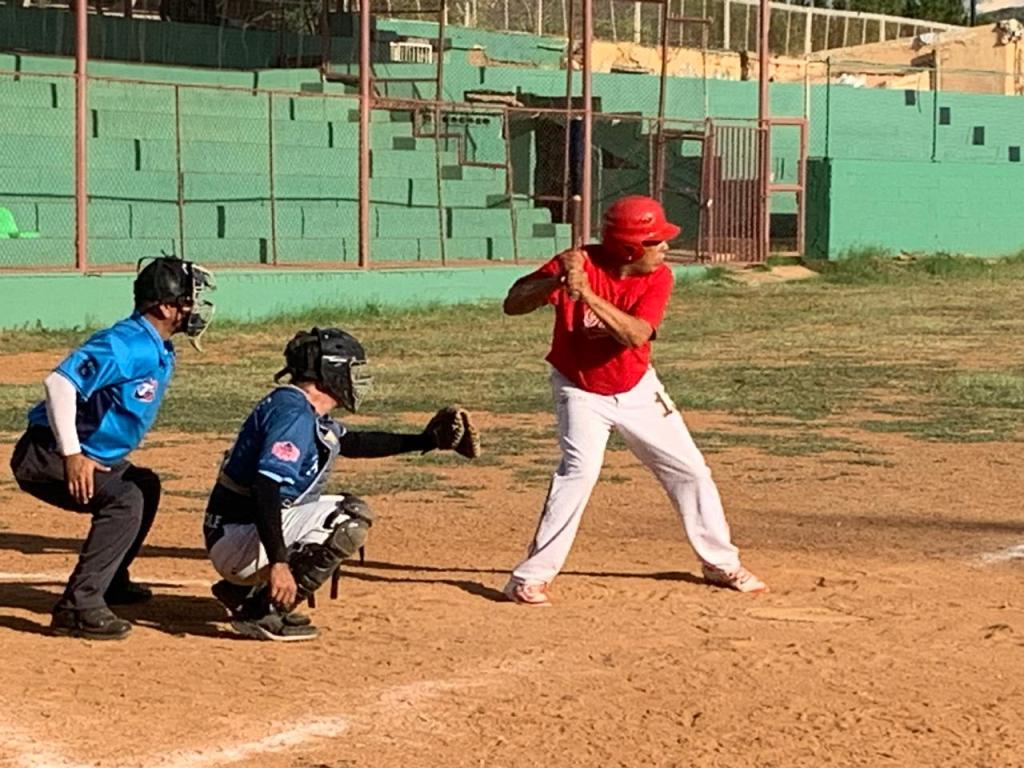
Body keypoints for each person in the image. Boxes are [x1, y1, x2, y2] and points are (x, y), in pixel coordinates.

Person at [501, 195, 767, 606]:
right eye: (655, 240)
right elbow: (513, 304)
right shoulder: (576, 263)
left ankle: (719, 563)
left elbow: (636, 335)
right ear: (629, 248)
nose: (664, 247)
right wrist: (555, 281)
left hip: (638, 388)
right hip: (580, 390)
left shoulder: (659, 277)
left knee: (691, 470)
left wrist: (586, 296)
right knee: (579, 473)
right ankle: (528, 578)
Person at [203, 327, 479, 642]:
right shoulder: (293, 414)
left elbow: (356, 442)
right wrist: (279, 564)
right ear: (328, 371)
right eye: (350, 370)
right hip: (239, 538)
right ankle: (263, 609)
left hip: (238, 533)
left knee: (337, 510)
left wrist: (426, 440)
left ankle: (245, 592)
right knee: (347, 518)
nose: (355, 379)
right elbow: (267, 489)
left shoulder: (301, 408)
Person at [9, 256, 216, 639]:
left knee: (144, 485)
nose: (195, 308)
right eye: (188, 300)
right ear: (165, 306)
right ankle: (77, 607)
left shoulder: (155, 344)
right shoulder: (126, 343)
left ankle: (111, 579)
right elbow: (59, 384)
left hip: (85, 453)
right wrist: (71, 454)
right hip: (46, 453)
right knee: (125, 499)